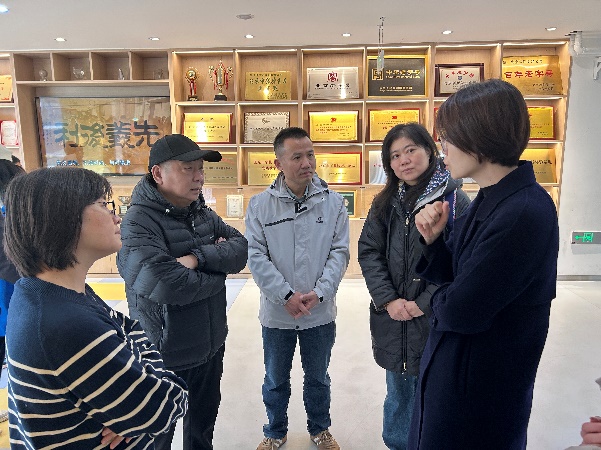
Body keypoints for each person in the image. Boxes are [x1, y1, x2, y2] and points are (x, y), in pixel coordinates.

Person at [408, 79, 560, 449]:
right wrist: (434, 242)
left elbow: (460, 310)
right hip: (459, 373)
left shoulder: (523, 212)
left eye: (448, 137)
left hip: (481, 390)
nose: (442, 148)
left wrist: (437, 300)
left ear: (479, 136)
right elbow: (460, 275)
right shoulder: (492, 198)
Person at [3, 167, 188, 449]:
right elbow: (166, 405)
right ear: (62, 217)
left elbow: (129, 329)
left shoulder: (41, 293)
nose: (116, 217)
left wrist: (129, 411)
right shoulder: (67, 324)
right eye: (103, 205)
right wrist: (136, 409)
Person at [117, 134, 248, 450]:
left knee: (202, 430)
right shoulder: (138, 222)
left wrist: (197, 258)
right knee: (157, 434)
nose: (199, 176)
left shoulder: (200, 212)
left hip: (210, 343)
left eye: (200, 168)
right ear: (158, 174)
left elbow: (241, 250)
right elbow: (165, 283)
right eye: (188, 168)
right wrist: (218, 276)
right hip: (164, 353)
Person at [357, 123, 470, 450]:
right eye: (395, 155)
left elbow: (460, 263)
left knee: (436, 394)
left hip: (436, 317)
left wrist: (423, 303)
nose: (404, 160)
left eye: (410, 150)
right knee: (398, 393)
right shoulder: (385, 203)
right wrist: (389, 300)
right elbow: (369, 251)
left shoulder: (455, 200)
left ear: (429, 152)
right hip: (394, 320)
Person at [245, 127, 350, 450]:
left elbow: (340, 252)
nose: (307, 163)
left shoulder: (334, 203)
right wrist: (285, 296)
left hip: (319, 312)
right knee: (275, 378)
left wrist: (321, 292)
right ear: (278, 163)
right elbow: (256, 256)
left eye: (310, 154)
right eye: (297, 157)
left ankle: (320, 429)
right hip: (278, 314)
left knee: (318, 378)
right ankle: (275, 431)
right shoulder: (260, 206)